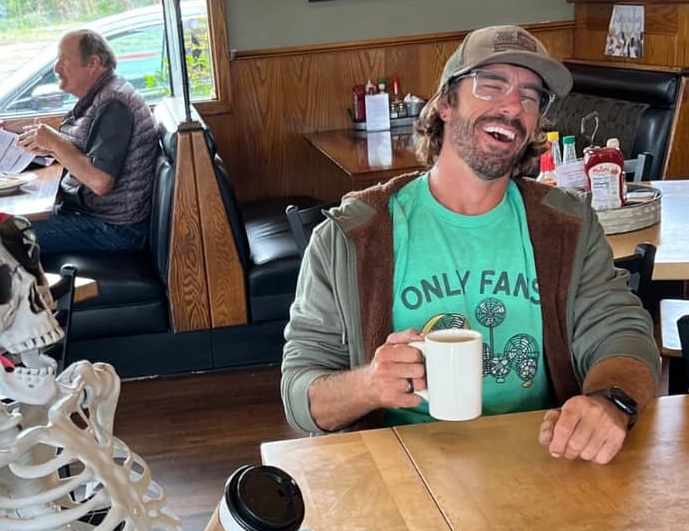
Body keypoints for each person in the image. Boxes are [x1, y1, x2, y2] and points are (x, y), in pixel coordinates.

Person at [282, 25, 660, 465]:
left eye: (531, 96)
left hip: (543, 462)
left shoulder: (567, 224)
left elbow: (623, 333)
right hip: (400, 474)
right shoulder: (352, 236)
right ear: (444, 103)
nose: (513, 106)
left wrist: (610, 401)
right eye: (491, 85)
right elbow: (300, 393)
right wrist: (367, 383)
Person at [17, 29, 158, 254]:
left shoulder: (114, 104)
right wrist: (50, 147)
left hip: (116, 229)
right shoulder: (102, 94)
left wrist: (55, 142)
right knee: (8, 224)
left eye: (64, 60)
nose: (56, 68)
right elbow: (87, 153)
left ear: (92, 63)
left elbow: (100, 181)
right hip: (94, 215)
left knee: (7, 236)